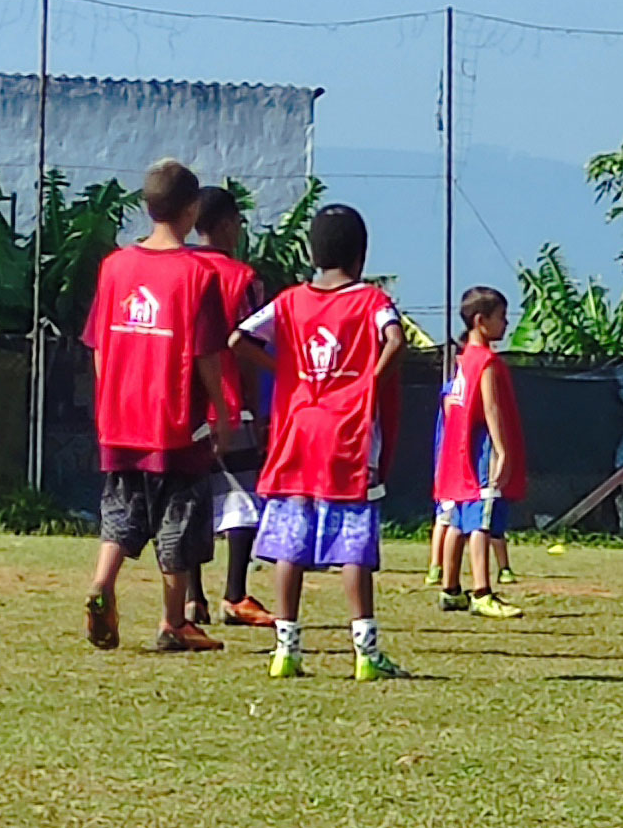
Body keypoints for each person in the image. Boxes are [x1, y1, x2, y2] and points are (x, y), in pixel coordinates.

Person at [235, 204, 408, 680]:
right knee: (353, 540)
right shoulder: (370, 301)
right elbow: (395, 340)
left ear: (313, 252)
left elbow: (237, 340)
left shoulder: (290, 301)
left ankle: (285, 648)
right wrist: (365, 382)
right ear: (361, 254)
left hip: (297, 429)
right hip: (347, 432)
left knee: (290, 539)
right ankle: (365, 652)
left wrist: (286, 373)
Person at [83, 159, 231, 654]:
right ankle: (174, 623)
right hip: (175, 418)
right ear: (191, 211)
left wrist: (112, 402)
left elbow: (101, 348)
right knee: (180, 518)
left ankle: (103, 583)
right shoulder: (197, 274)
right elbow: (206, 353)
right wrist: (221, 413)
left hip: (121, 417)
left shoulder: (114, 267)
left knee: (122, 509)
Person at [190, 184, 276, 629]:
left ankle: (192, 598)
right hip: (227, 400)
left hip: (182, 404)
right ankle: (235, 593)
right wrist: (254, 405)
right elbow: (246, 343)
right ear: (225, 225)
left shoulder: (179, 270)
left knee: (189, 498)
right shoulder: (243, 279)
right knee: (243, 497)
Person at [432, 285, 527, 620]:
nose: (507, 323)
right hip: (482, 452)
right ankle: (482, 592)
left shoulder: (463, 361)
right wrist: (503, 451)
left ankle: (450, 588)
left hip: (460, 452)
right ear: (480, 321)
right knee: (481, 523)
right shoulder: (485, 361)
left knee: (457, 520)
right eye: (501, 317)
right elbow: (491, 407)